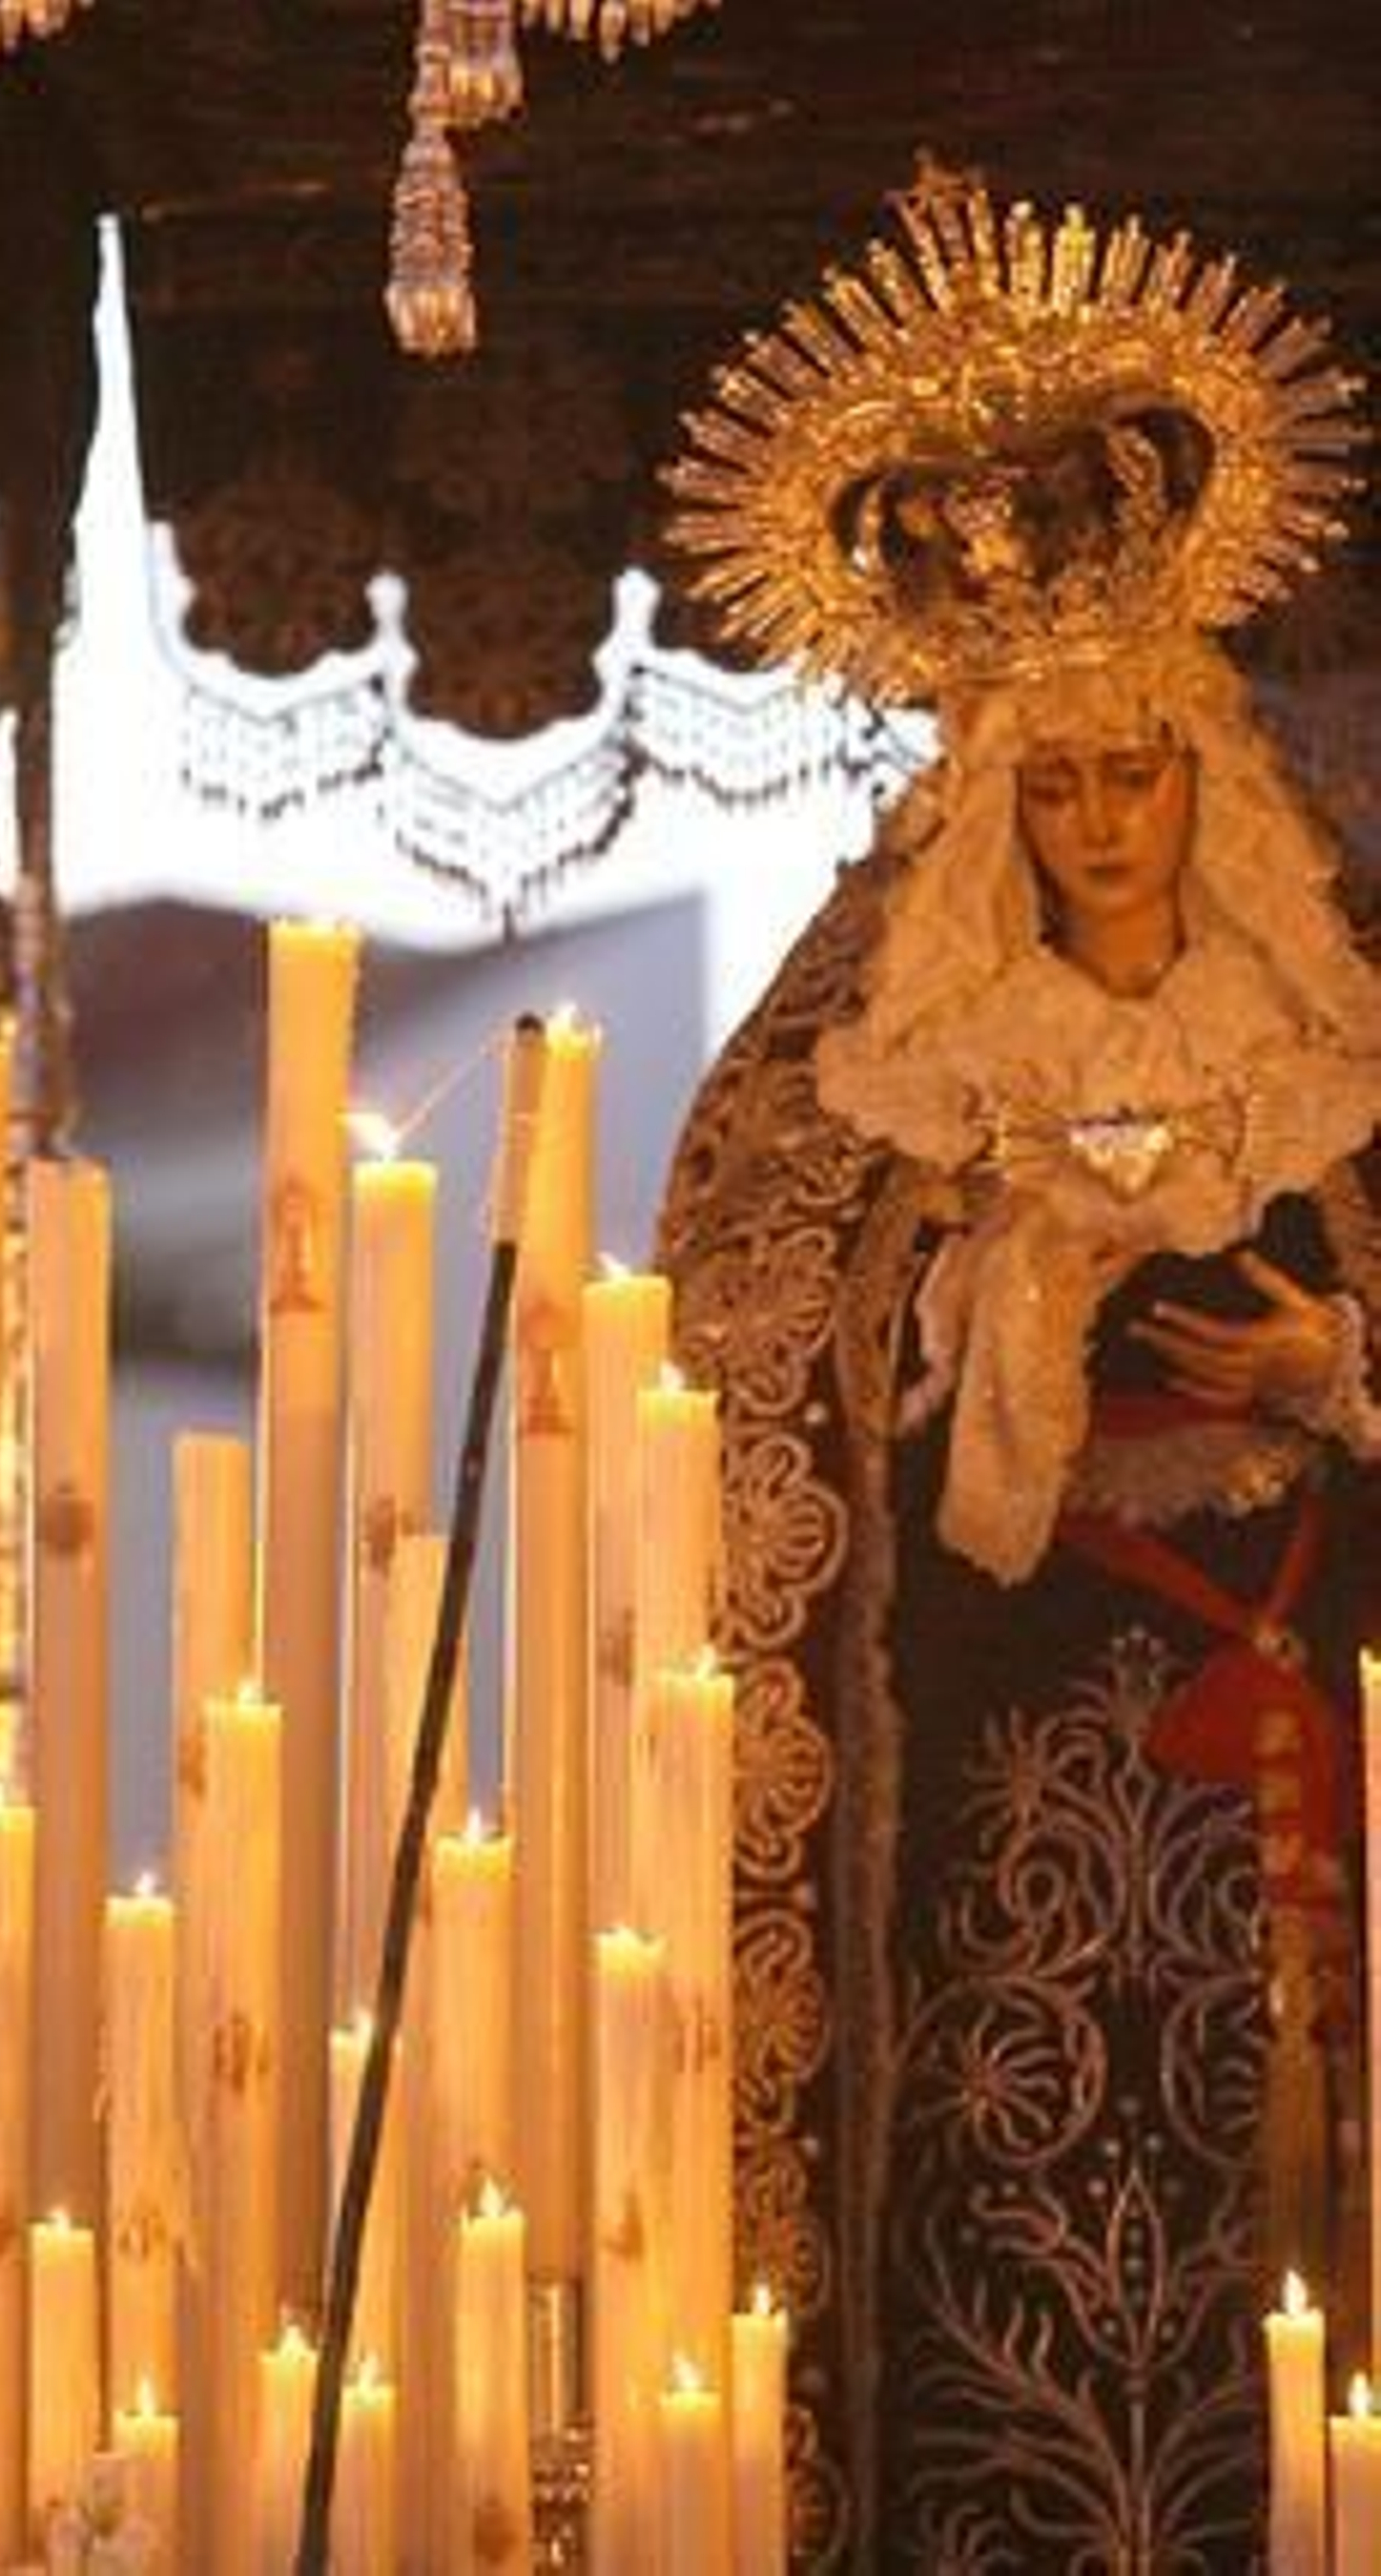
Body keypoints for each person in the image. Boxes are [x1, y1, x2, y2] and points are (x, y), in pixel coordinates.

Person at [659, 165, 1381, 2570]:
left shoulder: (1335, 1059)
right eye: (1049, 786)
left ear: (1207, 785)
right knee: (1027, 2196)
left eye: (1130, 772)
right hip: (1006, 1783)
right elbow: (753, 1369)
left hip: (1313, 1757)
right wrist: (976, 1314)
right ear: (991, 814)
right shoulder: (869, 1089)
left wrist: (1336, 1366)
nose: (1094, 823)